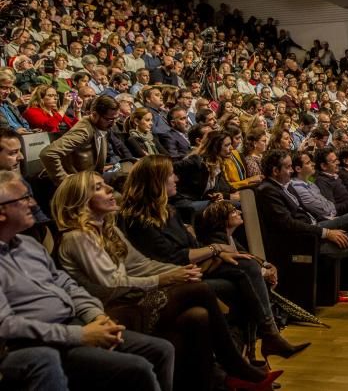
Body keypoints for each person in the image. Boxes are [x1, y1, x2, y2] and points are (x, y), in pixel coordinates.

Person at [50, 171, 283, 391]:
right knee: (200, 290)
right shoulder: (76, 237)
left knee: (198, 316)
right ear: (80, 200)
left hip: (132, 300)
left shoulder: (109, 231)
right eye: (99, 187)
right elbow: (113, 282)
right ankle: (238, 368)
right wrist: (168, 277)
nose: (110, 189)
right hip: (111, 311)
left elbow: (140, 265)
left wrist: (182, 271)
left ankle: (215, 380)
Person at [0, 170, 175, 391]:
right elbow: (6, 325)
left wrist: (97, 316)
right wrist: (80, 335)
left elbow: (67, 284)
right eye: (23, 198)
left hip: (75, 321)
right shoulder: (75, 237)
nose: (33, 203)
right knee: (137, 368)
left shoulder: (29, 245)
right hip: (37, 341)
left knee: (161, 349)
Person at [255, 149, 348, 315]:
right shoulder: (268, 190)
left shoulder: (284, 186)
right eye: (288, 167)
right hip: (303, 242)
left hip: (314, 229)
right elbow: (289, 224)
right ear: (275, 171)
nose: (291, 171)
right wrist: (326, 232)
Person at [39, 94, 119, 185]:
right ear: (95, 115)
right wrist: (65, 181)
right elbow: (48, 153)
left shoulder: (101, 126)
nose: (113, 123)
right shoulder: (83, 131)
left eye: (116, 118)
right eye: (109, 119)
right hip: (81, 185)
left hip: (91, 178)